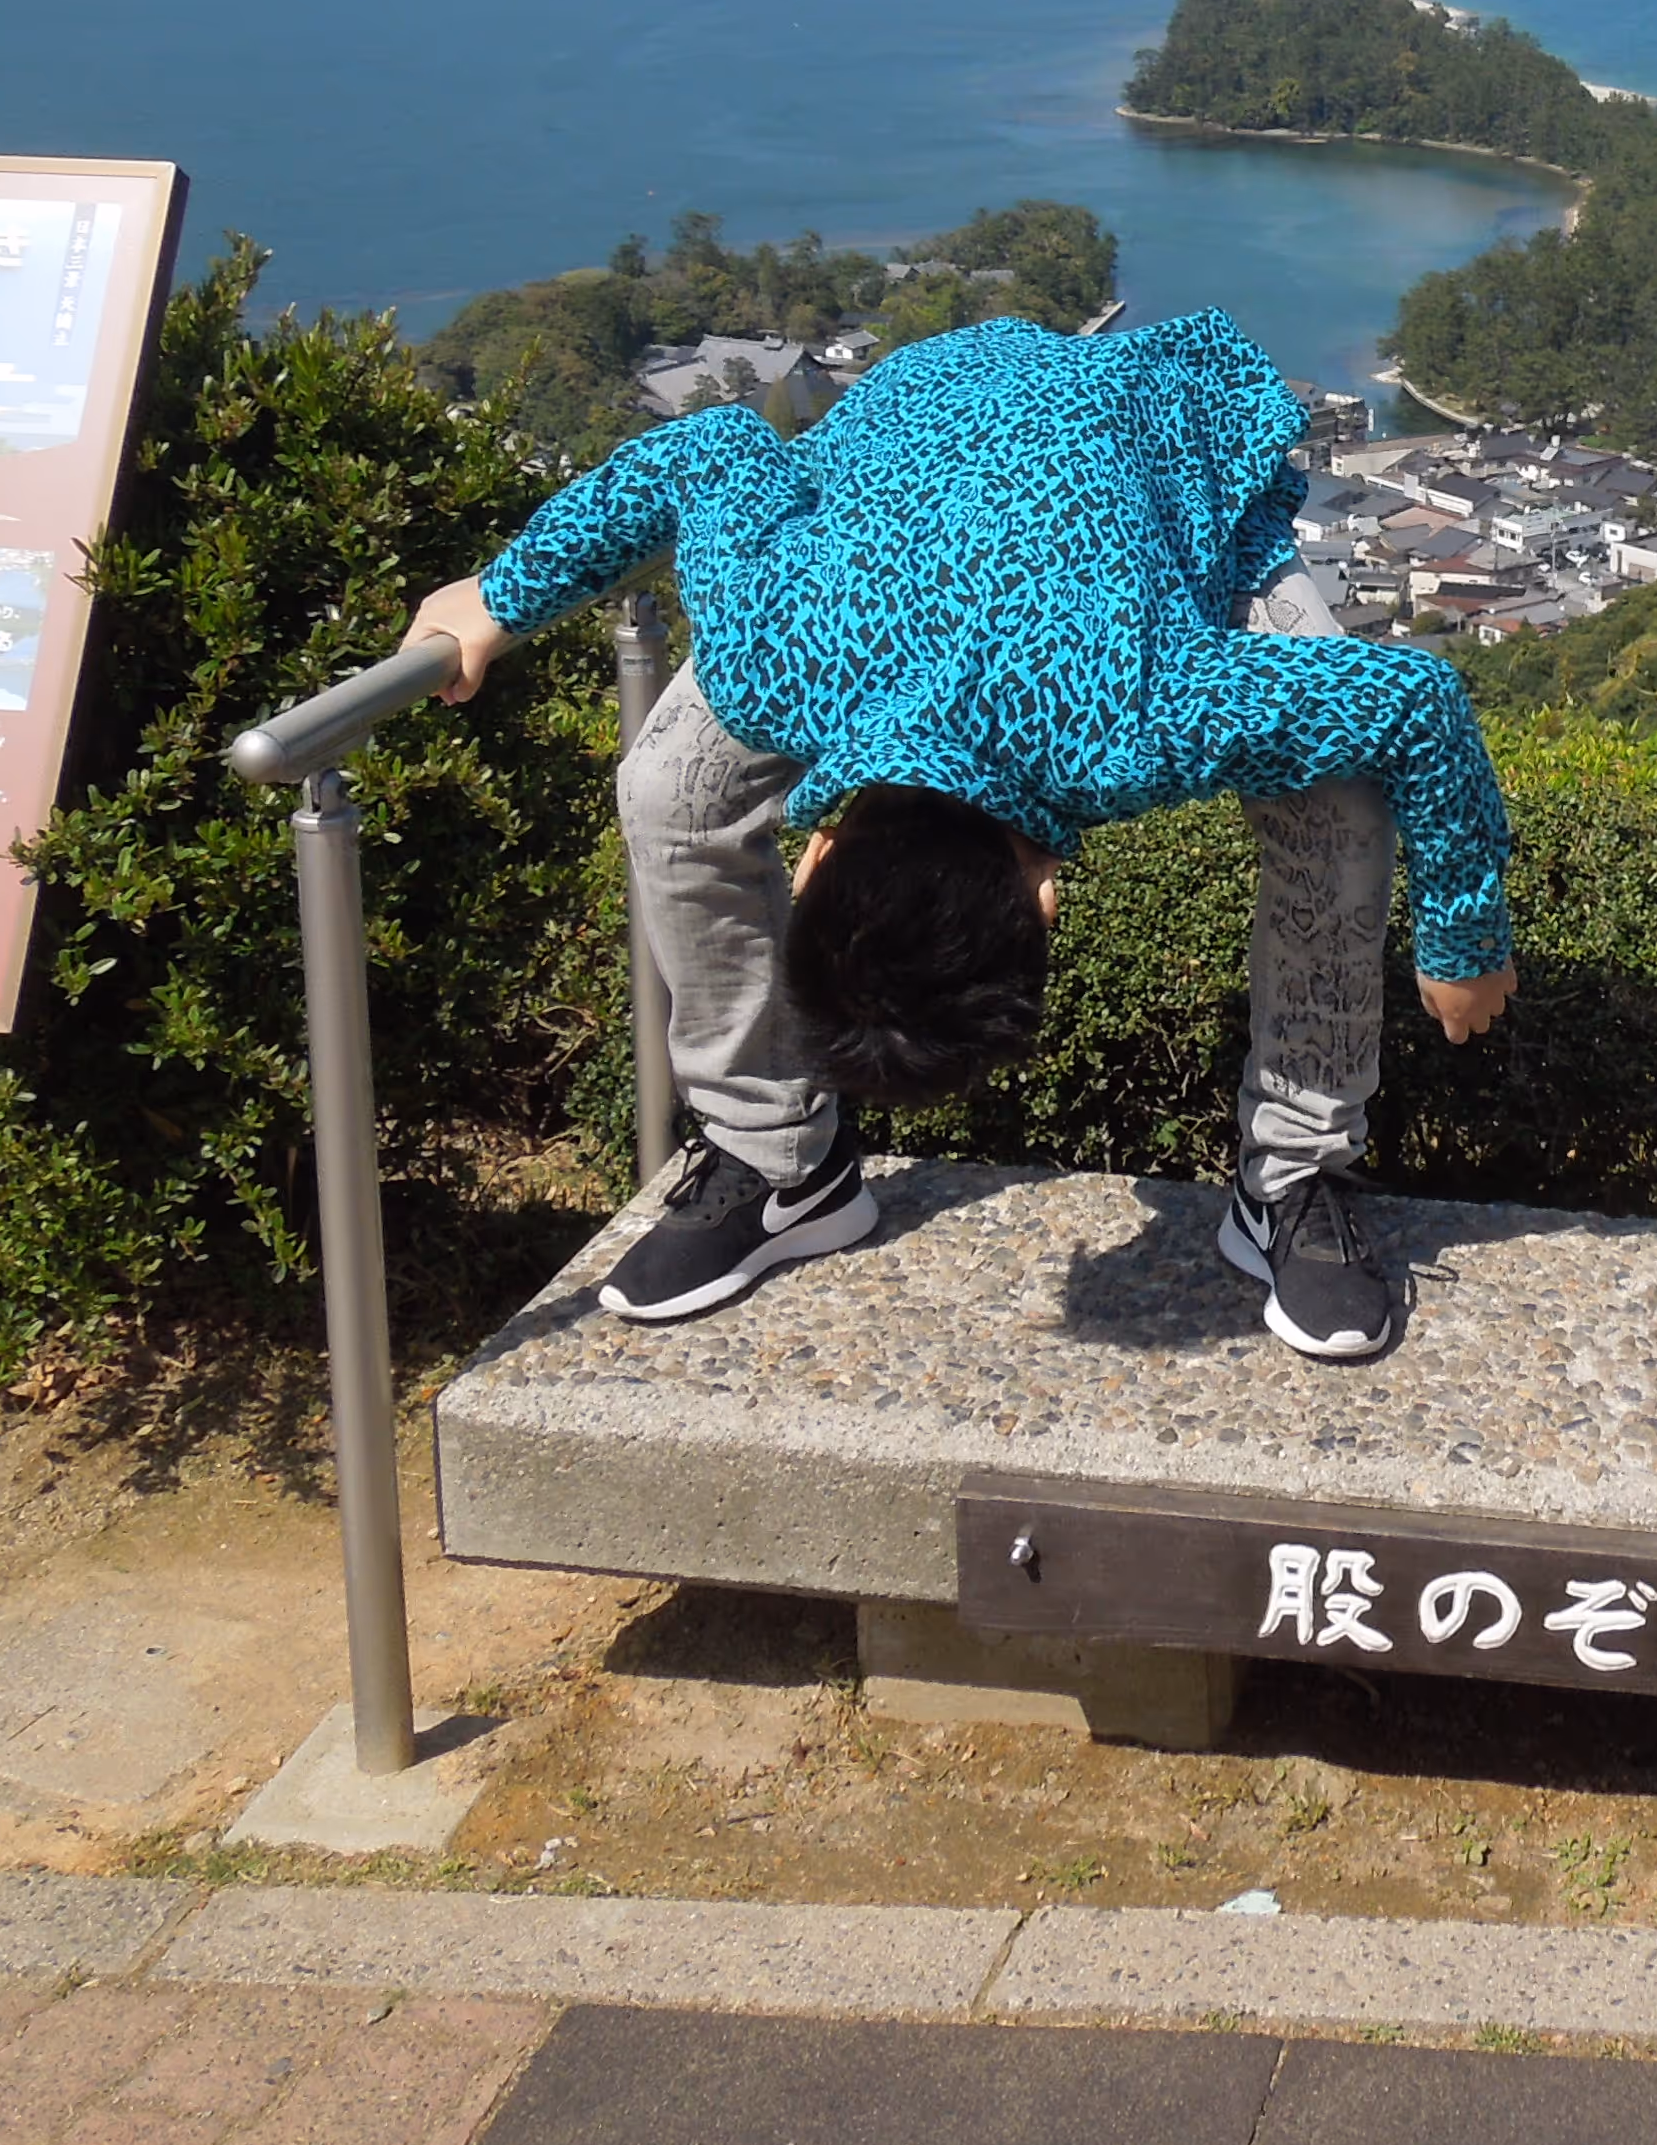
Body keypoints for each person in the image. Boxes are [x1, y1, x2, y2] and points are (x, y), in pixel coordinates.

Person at [405, 308, 1517, 1360]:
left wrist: (1463, 936)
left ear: (817, 852)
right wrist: (495, 601)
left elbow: (1412, 703)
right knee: (668, 788)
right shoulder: (775, 652)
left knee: (1337, 794)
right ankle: (778, 1157)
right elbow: (703, 451)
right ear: (823, 856)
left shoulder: (1130, 720)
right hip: (905, 441)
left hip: (1141, 427)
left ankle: (1294, 1170)